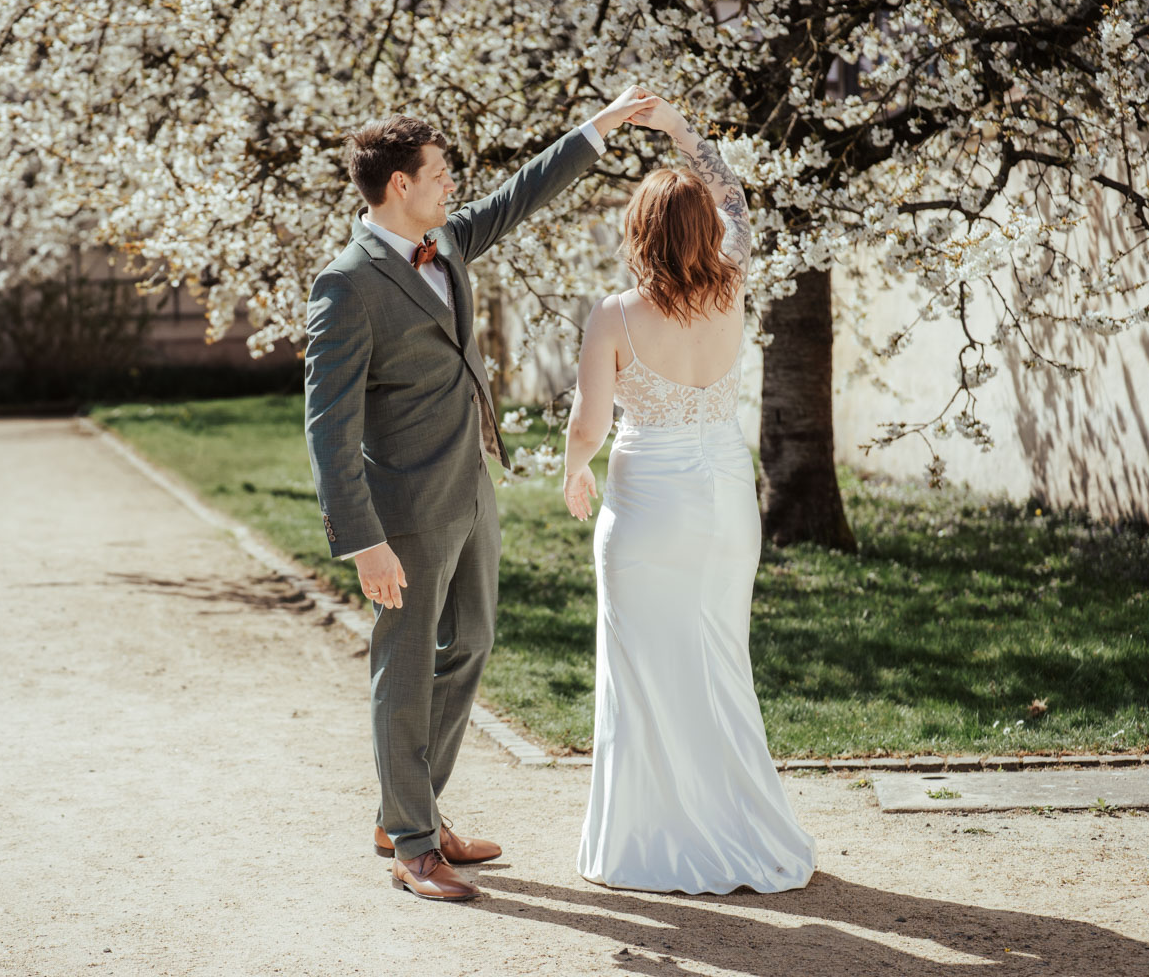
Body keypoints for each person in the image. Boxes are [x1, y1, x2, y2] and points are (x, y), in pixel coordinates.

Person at [303, 87, 658, 902]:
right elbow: (327, 429)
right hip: (402, 514)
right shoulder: (345, 286)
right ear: (399, 184)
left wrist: (595, 130)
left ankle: (411, 810)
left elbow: (520, 194)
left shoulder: (447, 244)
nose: (451, 184)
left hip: (471, 488)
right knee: (403, 667)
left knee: (471, 644)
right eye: (438, 173)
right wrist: (364, 541)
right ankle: (415, 845)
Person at [561, 93, 818, 895]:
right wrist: (679, 130)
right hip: (727, 505)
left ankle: (650, 842)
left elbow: (587, 424)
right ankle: (743, 826)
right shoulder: (734, 283)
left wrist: (575, 470)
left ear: (637, 235)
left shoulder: (614, 316)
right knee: (717, 666)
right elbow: (736, 195)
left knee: (644, 676)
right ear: (707, 231)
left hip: (648, 513)